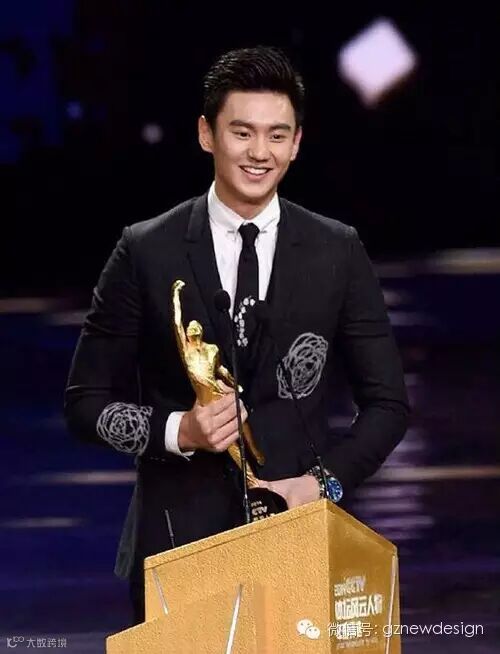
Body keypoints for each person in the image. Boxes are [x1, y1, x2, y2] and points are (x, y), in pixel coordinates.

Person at [64, 45, 409, 625]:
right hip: (176, 551)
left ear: (296, 143)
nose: (259, 152)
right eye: (242, 132)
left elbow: (389, 405)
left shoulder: (336, 250)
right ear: (207, 134)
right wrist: (181, 430)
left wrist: (321, 484)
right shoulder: (147, 250)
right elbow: (83, 404)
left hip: (298, 544)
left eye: (277, 135)